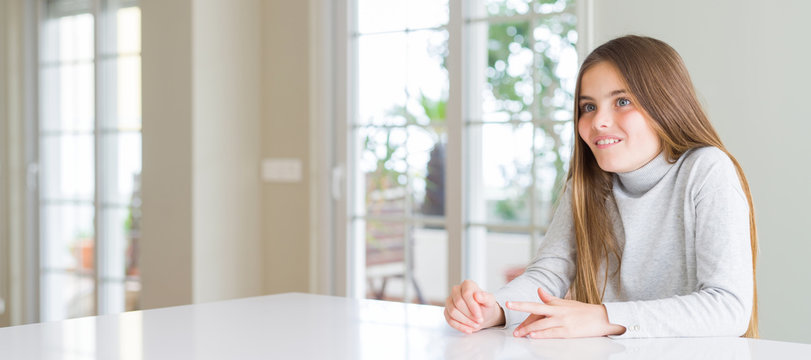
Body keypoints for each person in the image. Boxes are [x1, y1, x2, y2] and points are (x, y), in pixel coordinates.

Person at [443, 35, 758, 339]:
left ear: (666, 105)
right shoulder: (588, 183)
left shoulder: (707, 169)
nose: (598, 122)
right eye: (588, 107)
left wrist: (605, 317)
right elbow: (548, 275)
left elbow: (729, 307)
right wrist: (493, 309)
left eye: (622, 101)